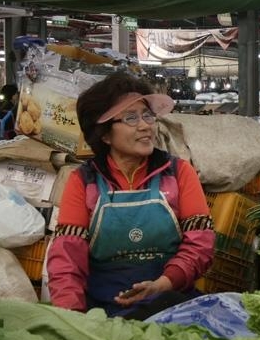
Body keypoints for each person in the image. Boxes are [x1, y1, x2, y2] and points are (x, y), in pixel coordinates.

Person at [46, 72, 214, 320]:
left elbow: (201, 244)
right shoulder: (83, 181)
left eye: (147, 115)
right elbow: (67, 259)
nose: (145, 125)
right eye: (131, 118)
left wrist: (165, 283)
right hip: (103, 309)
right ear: (104, 134)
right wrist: (73, 319)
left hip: (171, 303)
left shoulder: (178, 173)